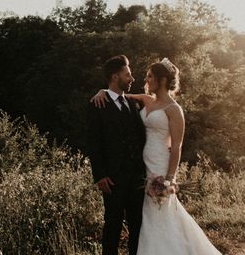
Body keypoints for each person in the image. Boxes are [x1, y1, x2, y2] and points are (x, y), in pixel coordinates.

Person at [91, 57, 221, 254]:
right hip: (142, 168)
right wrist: (102, 91)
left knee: (158, 215)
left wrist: (170, 179)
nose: (145, 79)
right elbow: (120, 96)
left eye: (150, 76)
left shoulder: (174, 110)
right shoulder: (147, 100)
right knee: (142, 219)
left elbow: (176, 147)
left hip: (159, 166)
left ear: (162, 80)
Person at [86, 55, 146, 255]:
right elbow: (93, 143)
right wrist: (100, 175)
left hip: (137, 176)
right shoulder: (97, 105)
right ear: (115, 77)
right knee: (112, 224)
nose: (132, 78)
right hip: (112, 177)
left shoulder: (132, 103)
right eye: (127, 74)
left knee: (137, 225)